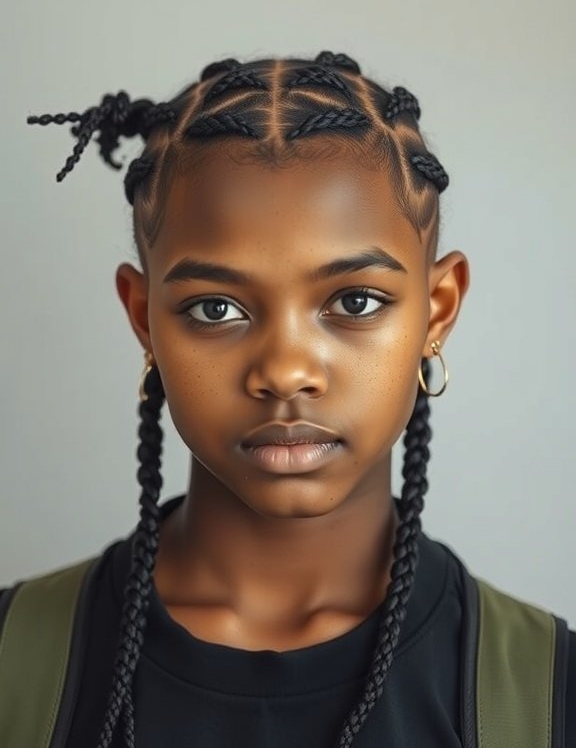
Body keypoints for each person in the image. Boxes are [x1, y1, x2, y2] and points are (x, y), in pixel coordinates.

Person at [2, 51, 574, 747]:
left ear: (438, 309)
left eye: (355, 302)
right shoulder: (15, 663)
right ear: (143, 317)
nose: (285, 371)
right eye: (216, 309)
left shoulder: (547, 694)